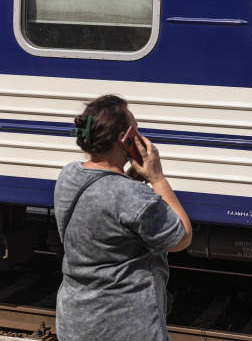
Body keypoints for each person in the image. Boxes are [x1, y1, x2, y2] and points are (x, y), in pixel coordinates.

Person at [53, 95, 192, 341]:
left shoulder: (68, 175)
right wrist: (157, 178)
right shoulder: (130, 195)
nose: (140, 136)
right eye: (135, 129)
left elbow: (109, 197)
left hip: (76, 321)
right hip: (125, 325)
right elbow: (181, 237)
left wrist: (130, 180)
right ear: (123, 139)